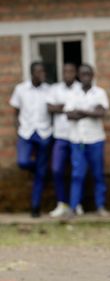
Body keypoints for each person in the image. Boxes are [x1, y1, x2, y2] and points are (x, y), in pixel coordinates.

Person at [63, 64, 109, 217]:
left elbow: (101, 113)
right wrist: (90, 111)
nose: (86, 77)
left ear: (93, 75)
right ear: (79, 76)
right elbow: (69, 115)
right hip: (78, 140)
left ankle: (100, 206)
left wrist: (80, 111)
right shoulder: (73, 93)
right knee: (77, 175)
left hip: (96, 139)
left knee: (98, 174)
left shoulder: (99, 93)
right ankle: (74, 206)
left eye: (89, 74)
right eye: (83, 74)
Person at [9, 62, 52, 217]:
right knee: (23, 162)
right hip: (26, 132)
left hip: (44, 132)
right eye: (39, 72)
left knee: (40, 174)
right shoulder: (21, 89)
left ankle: (35, 207)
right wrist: (18, 129)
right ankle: (37, 168)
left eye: (43, 71)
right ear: (32, 73)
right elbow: (16, 111)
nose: (42, 74)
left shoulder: (49, 90)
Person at [47, 63, 81, 218]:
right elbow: (50, 108)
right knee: (57, 169)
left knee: (77, 171)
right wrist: (67, 109)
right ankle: (62, 203)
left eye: (71, 71)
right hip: (60, 136)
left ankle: (76, 203)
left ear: (75, 73)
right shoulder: (55, 89)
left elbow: (81, 109)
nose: (68, 74)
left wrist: (61, 107)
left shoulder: (81, 89)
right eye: (65, 71)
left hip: (77, 136)